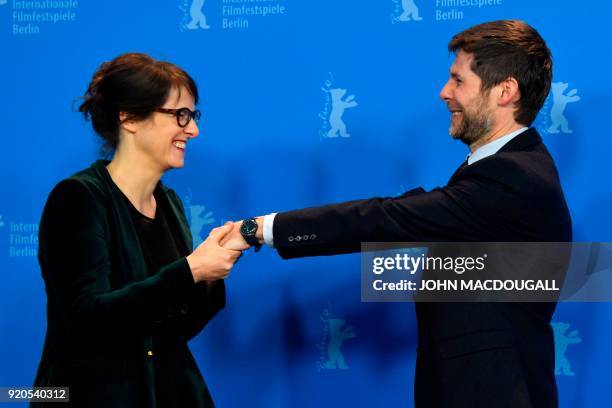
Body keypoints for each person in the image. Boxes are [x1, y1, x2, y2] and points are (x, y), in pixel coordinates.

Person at [223, 20, 572, 407]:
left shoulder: (513, 177)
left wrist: (260, 229)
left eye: (458, 81)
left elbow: (384, 218)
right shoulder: (502, 168)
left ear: (505, 91)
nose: (444, 93)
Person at [33, 53, 246, 407]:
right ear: (129, 117)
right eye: (180, 115)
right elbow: (86, 321)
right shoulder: (78, 198)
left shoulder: (170, 203)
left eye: (193, 115)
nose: (193, 129)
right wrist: (190, 270)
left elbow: (173, 329)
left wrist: (209, 273)